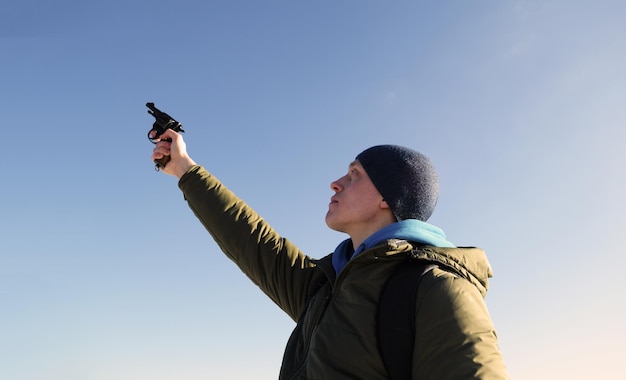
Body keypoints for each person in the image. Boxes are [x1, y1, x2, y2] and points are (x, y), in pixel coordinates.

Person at [151, 129, 509, 379]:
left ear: (388, 199)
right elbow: (251, 240)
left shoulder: (437, 287)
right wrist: (185, 169)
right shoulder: (324, 286)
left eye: (354, 175)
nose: (336, 183)